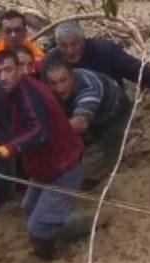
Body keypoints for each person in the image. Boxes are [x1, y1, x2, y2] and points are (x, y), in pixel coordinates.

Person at [0, 50, 84, 260]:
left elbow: (38, 131)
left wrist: (8, 148)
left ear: (19, 69)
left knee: (37, 228)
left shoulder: (29, 93)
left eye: (8, 70)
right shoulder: (12, 92)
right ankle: (64, 225)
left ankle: (50, 260)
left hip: (63, 166)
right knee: (28, 208)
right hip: (43, 166)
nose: (3, 77)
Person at [44, 59, 131, 189]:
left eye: (63, 81)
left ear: (72, 77)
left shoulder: (88, 89)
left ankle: (106, 169)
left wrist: (45, 136)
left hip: (113, 115)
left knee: (87, 173)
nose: (59, 88)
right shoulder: (56, 89)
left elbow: (80, 123)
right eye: (53, 83)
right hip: (78, 112)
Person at [42, 21, 150, 99]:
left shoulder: (104, 51)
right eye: (64, 46)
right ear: (57, 45)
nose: (70, 50)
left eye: (74, 44)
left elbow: (138, 70)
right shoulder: (50, 62)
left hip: (113, 106)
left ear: (83, 42)